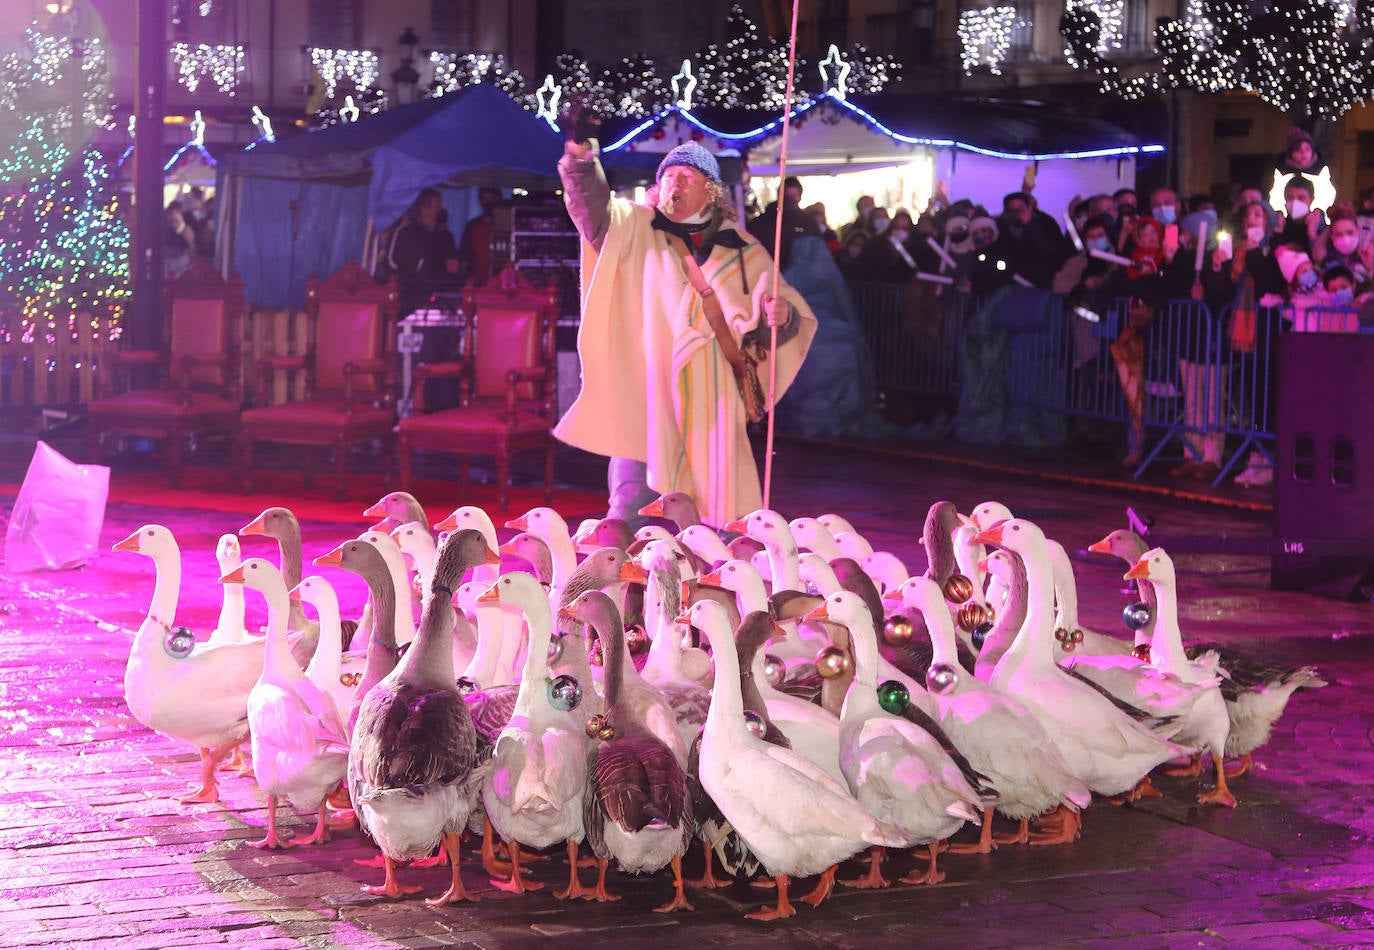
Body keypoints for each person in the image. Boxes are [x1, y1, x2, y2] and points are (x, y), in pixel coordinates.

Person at [557, 132, 817, 527]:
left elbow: (779, 316)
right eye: (668, 176)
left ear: (711, 191)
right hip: (648, 393)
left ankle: (716, 584)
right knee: (628, 513)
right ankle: (622, 584)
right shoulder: (634, 228)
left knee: (721, 518)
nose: (674, 184)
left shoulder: (745, 251)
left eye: (686, 178)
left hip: (712, 404)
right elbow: (590, 210)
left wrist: (781, 316)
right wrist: (580, 162)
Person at [386, 187, 460, 317]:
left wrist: (455, 267)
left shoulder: (446, 236)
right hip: (409, 299)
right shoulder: (406, 232)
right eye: (437, 207)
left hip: (439, 299)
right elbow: (391, 262)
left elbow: (453, 267)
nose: (441, 210)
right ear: (424, 209)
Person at [457, 186, 502, 284]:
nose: (488, 203)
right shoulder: (473, 226)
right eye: (484, 199)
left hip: (502, 283)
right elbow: (464, 255)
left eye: (492, 198)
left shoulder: (505, 225)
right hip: (478, 282)